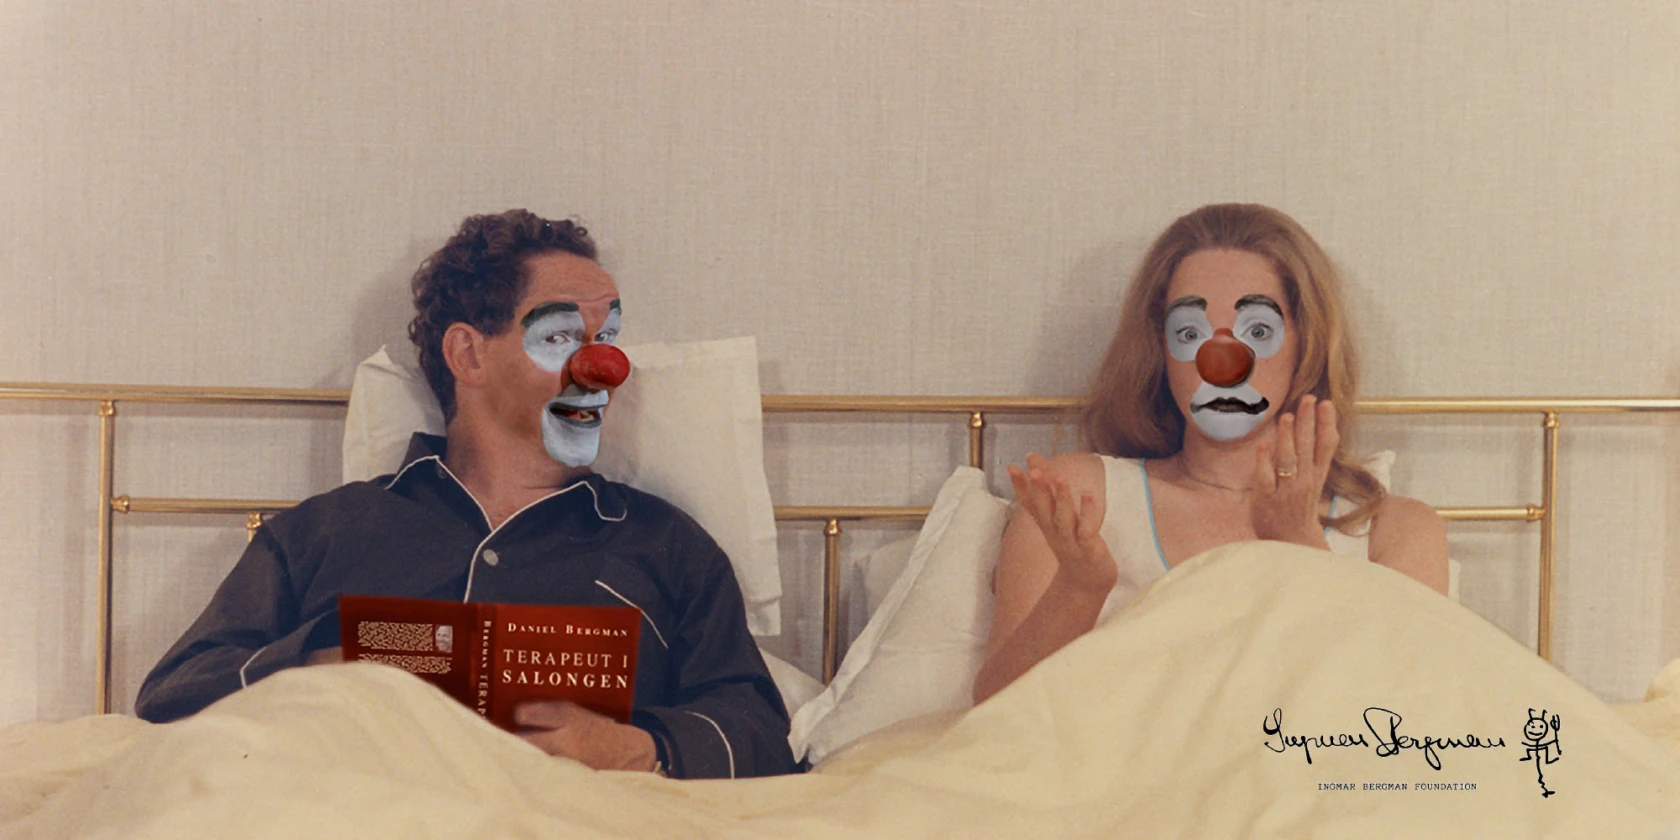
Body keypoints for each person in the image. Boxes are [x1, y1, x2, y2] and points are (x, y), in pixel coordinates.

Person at [136, 209, 800, 779]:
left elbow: (764, 735)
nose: (606, 369)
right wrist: (319, 668)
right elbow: (170, 698)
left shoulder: (667, 546)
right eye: (563, 336)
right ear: (468, 355)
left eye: (608, 339)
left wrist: (638, 748)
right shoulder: (323, 534)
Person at [973, 203, 1449, 705]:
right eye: (1189, 333)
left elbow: (1409, 716)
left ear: (1307, 345)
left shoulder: (1396, 532)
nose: (1221, 364)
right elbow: (994, 713)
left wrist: (1301, 543)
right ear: (1160, 351)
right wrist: (1079, 589)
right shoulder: (1080, 497)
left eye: (1257, 332)